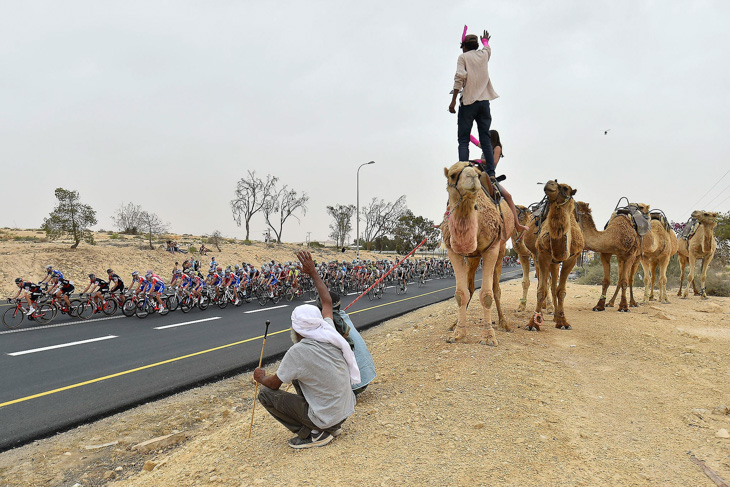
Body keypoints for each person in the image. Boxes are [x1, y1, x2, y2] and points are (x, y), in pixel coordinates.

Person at [253, 250, 359, 449]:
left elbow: (273, 384)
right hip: (344, 411)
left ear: (296, 329)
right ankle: (329, 426)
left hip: (328, 417)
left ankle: (314, 433)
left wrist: (260, 378)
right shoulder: (327, 329)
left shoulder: (298, 352)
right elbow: (327, 301)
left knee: (265, 394)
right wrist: (313, 272)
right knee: (296, 375)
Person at [471, 130, 530, 233]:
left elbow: (493, 162)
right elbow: (475, 141)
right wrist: (465, 130)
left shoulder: (497, 148)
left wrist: (478, 160)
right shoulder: (486, 147)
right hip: (479, 174)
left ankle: (517, 224)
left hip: (489, 177)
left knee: (508, 196)